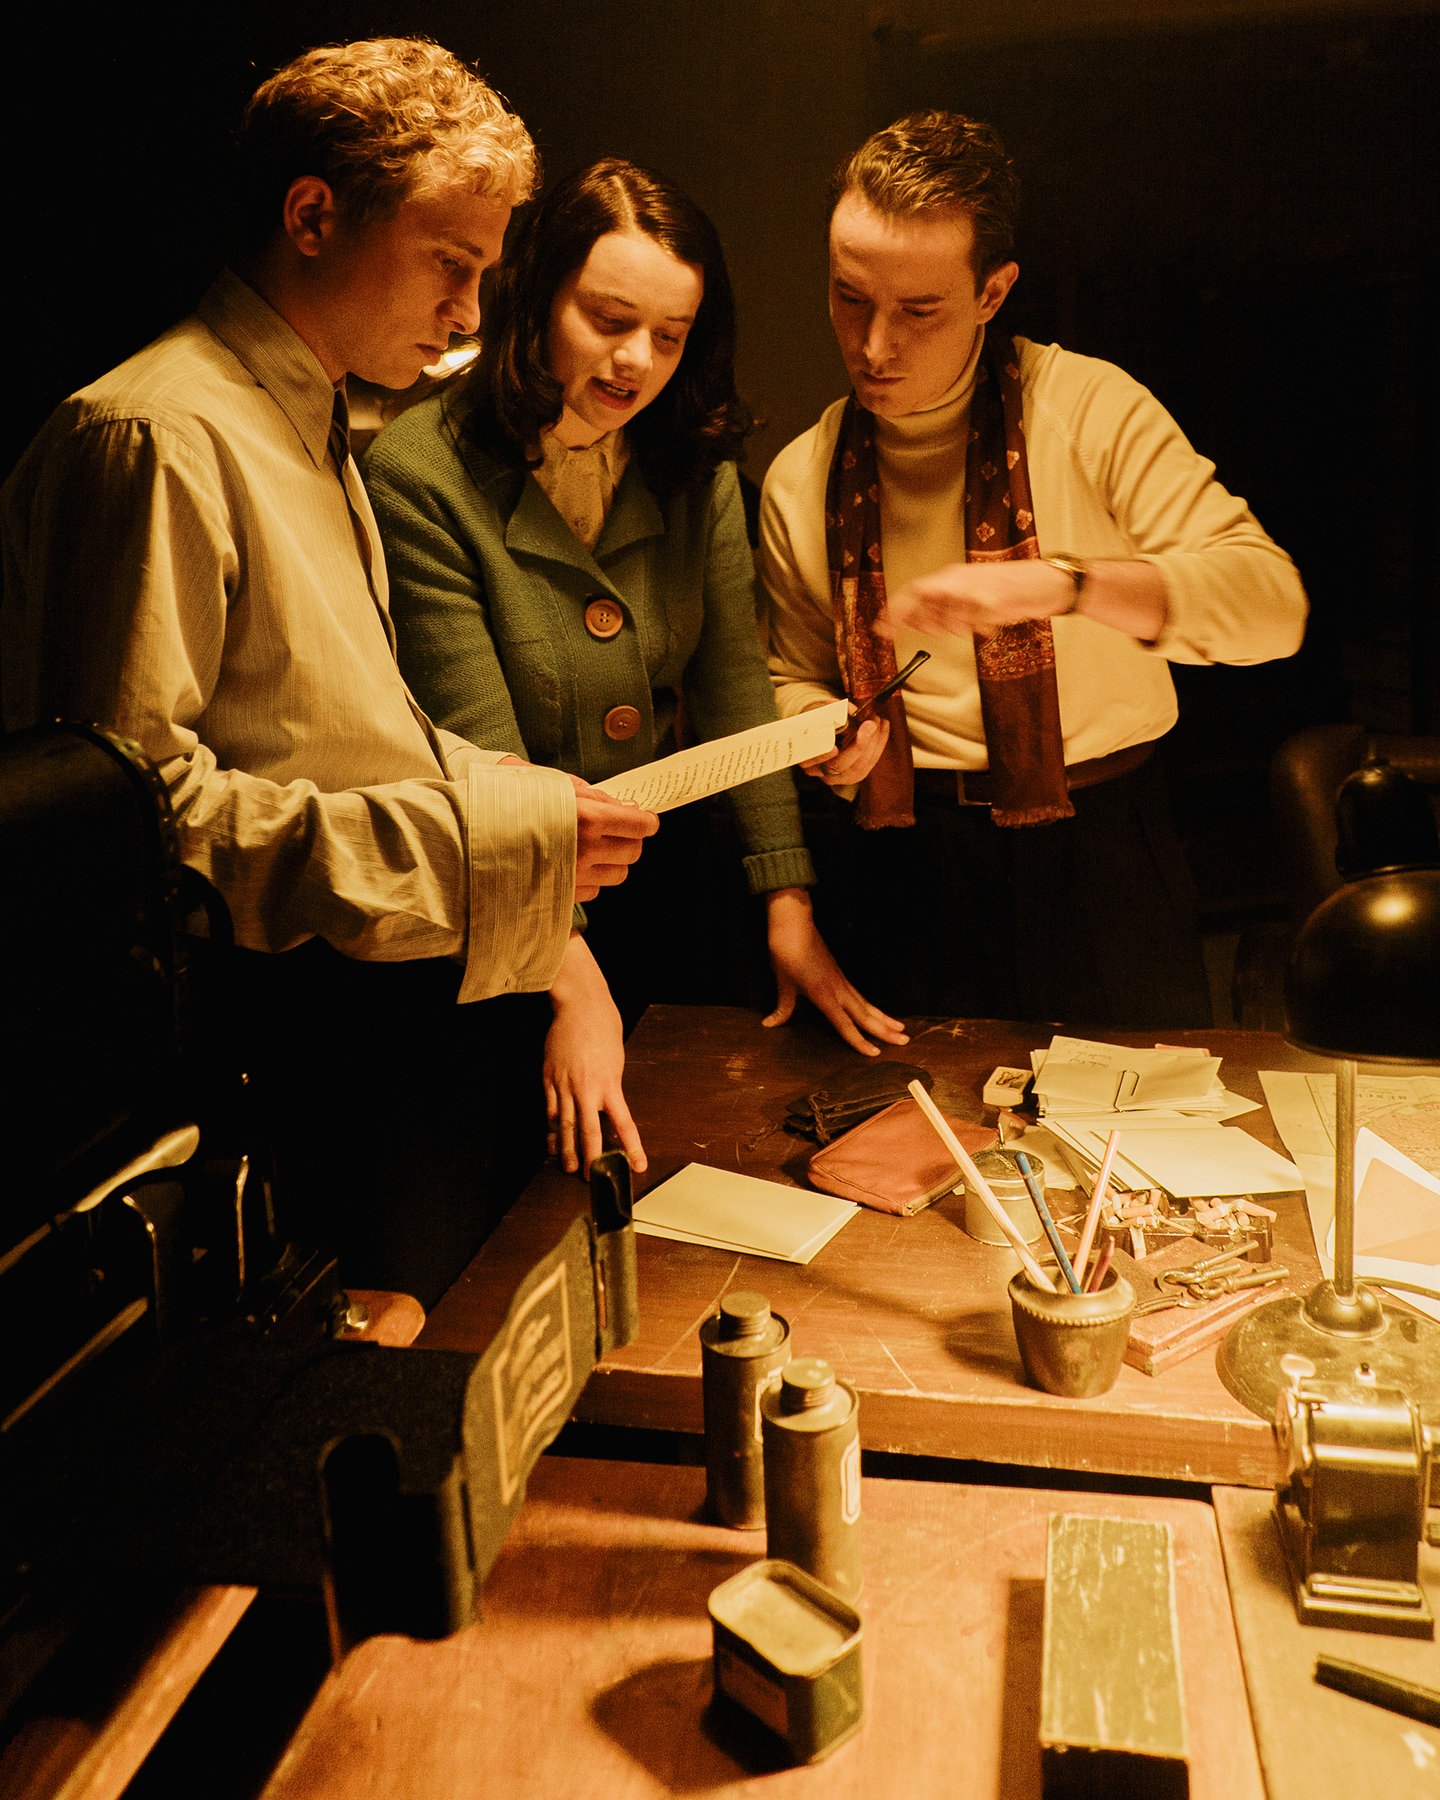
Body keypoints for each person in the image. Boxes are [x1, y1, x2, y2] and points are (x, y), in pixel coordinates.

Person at [1, 40, 658, 1307]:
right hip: (274, 1066)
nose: (471, 314)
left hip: (372, 1035)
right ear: (312, 217)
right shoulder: (157, 435)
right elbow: (138, 843)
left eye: (484, 273)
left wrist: (525, 802)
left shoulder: (317, 421)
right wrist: (481, 845)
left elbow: (351, 732)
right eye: (451, 263)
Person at [362, 157, 906, 1173]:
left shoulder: (688, 461)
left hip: (666, 876)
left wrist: (787, 900)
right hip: (512, 904)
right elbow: (488, 765)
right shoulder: (420, 475)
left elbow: (735, 685)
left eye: (670, 334)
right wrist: (572, 982)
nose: (636, 362)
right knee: (546, 1180)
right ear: (536, 293)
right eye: (609, 320)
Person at [760, 111, 1308, 1029]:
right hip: (906, 858)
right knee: (905, 1115)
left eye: (919, 311)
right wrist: (815, 726)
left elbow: (1273, 607)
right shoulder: (800, 474)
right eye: (850, 297)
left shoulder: (1091, 411)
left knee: (1142, 1114)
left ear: (993, 291)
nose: (875, 345)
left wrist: (1068, 584)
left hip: (1102, 846)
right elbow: (788, 671)